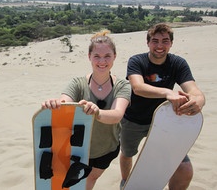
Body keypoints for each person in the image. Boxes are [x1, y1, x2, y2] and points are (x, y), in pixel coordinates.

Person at [119, 23, 206, 189]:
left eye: (165, 41)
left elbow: (193, 90)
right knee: (127, 153)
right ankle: (125, 182)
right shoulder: (136, 61)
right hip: (133, 120)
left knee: (185, 169)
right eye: (155, 41)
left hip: (164, 122)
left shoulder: (178, 63)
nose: (160, 46)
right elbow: (138, 88)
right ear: (148, 43)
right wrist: (167, 92)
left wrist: (199, 100)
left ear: (171, 43)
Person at [42, 30, 131, 190]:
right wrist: (55, 104)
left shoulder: (122, 86)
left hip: (106, 149)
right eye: (97, 56)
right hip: (78, 149)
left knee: (90, 179)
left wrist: (97, 112)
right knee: (76, 183)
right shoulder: (78, 83)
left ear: (114, 57)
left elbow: (117, 115)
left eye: (107, 56)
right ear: (89, 56)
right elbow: (64, 103)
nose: (102, 61)